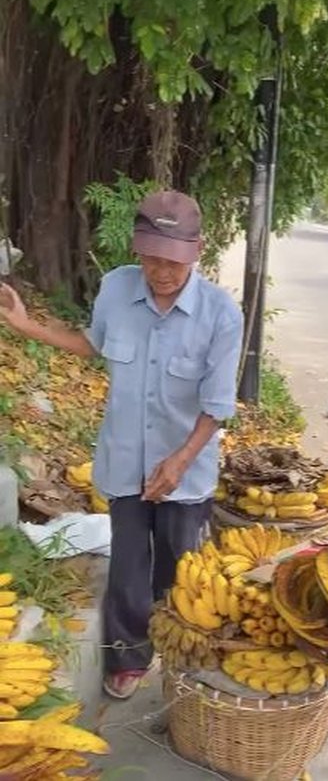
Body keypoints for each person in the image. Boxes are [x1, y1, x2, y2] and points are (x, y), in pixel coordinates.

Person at [0, 190, 243, 699]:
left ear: (196, 251)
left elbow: (217, 405)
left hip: (187, 470)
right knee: (128, 565)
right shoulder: (116, 288)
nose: (161, 271)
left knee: (183, 571)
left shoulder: (221, 314)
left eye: (172, 260)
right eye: (151, 257)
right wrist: (27, 326)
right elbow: (92, 343)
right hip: (125, 460)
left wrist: (178, 461)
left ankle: (184, 660)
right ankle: (129, 658)